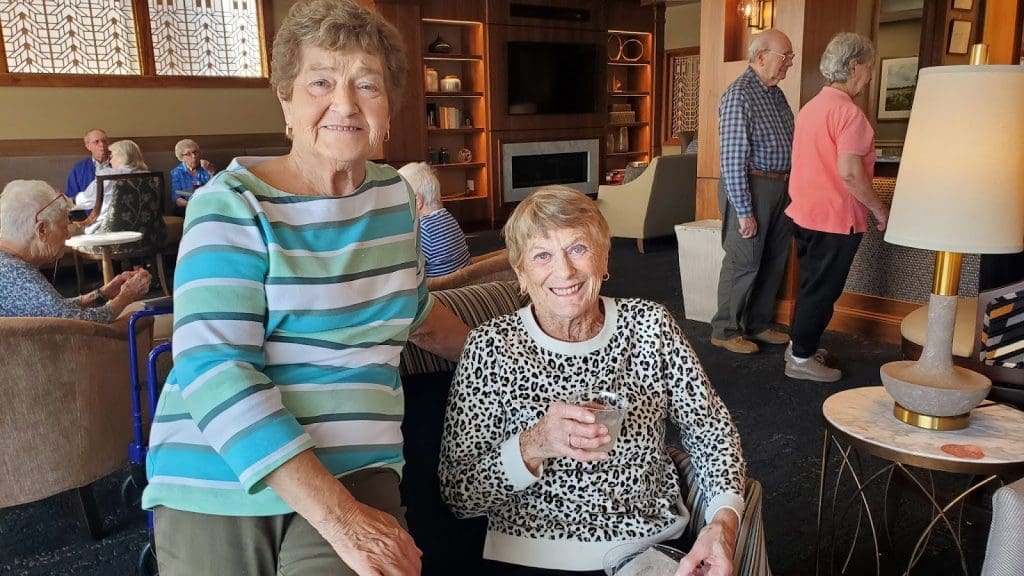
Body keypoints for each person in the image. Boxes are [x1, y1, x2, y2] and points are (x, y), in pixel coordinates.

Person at [141, 1, 470, 575]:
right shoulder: (233, 204)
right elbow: (215, 369)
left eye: (366, 84)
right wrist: (341, 519)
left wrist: (523, 359)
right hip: (219, 467)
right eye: (321, 81)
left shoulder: (395, 198)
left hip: (357, 464)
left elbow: (415, 313)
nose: (344, 104)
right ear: (286, 99)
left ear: (388, 107)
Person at [439, 186, 746, 576]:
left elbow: (711, 429)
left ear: (604, 259)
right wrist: (537, 444)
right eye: (542, 255)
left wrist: (723, 522)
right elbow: (459, 492)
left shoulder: (650, 325)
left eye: (578, 249)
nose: (564, 271)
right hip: (535, 556)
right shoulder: (491, 347)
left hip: (651, 546)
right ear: (521, 273)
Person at [784, 33, 888, 382]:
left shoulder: (812, 107)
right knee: (822, 291)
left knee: (811, 285)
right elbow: (850, 174)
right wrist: (879, 210)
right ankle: (800, 359)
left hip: (805, 213)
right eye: (869, 67)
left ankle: (801, 346)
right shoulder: (849, 114)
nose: (870, 76)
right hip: (834, 219)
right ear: (854, 66)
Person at [710, 29, 796, 355]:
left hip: (780, 185)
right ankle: (725, 329)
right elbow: (732, 158)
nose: (789, 62)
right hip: (753, 185)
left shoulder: (775, 94)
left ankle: (758, 324)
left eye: (791, 57)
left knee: (774, 259)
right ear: (761, 57)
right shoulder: (739, 95)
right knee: (743, 261)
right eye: (784, 56)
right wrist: (744, 210)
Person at [0, 180, 152, 320]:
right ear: (41, 230)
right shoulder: (17, 275)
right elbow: (80, 324)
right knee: (139, 318)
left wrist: (102, 294)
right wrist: (127, 296)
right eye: (64, 227)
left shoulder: (8, 265)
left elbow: (53, 309)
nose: (68, 234)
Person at [398, 161, 471, 277]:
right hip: (459, 288)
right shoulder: (448, 218)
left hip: (438, 291)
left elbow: (404, 270)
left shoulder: (423, 230)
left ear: (417, 201)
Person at [74, 140, 149, 234]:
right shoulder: (150, 177)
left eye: (112, 156)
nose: (110, 160)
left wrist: (72, 200)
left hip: (109, 232)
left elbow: (84, 201)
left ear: (122, 157)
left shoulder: (107, 176)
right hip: (144, 231)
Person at [169, 138, 215, 215]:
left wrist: (211, 171)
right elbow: (176, 198)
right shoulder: (177, 172)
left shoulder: (206, 167)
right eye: (188, 154)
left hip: (206, 204)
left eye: (195, 152)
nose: (193, 156)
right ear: (181, 158)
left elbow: (215, 188)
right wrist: (191, 205)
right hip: (187, 207)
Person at [65, 129, 110, 199]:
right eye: (96, 142)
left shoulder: (118, 166)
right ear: (88, 146)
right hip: (88, 209)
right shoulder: (78, 169)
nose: (102, 144)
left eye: (104, 141)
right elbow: (72, 198)